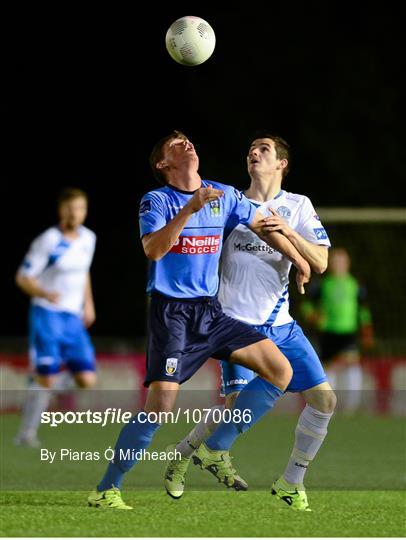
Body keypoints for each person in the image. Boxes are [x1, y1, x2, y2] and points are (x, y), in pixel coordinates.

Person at [87, 130, 311, 510]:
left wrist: (300, 260)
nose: (187, 144)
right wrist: (190, 208)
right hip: (171, 315)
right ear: (163, 163)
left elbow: (262, 226)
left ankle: (214, 448)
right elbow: (154, 249)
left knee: (280, 370)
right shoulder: (155, 200)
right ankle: (108, 488)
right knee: (159, 407)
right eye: (176, 145)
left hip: (211, 312)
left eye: (188, 140)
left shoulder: (221, 193)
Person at [163, 132, 336, 511]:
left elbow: (322, 262)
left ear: (281, 164)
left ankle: (290, 481)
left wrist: (289, 232)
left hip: (281, 323)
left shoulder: (298, 206)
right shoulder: (230, 205)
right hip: (234, 324)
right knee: (238, 403)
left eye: (264, 149)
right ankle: (202, 453)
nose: (254, 153)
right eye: (250, 150)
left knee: (324, 400)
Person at [14, 187, 97, 447]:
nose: (76, 214)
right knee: (48, 376)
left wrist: (89, 304)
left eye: (80, 208)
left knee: (87, 380)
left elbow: (84, 272)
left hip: (73, 318)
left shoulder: (88, 238)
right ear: (62, 210)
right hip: (46, 314)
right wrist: (43, 292)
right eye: (71, 208)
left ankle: (39, 386)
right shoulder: (48, 240)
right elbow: (23, 277)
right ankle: (26, 434)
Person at [301, 247, 374, 413]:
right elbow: (306, 305)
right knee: (328, 368)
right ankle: (328, 406)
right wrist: (312, 316)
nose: (339, 264)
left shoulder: (355, 284)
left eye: (342, 261)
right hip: (327, 331)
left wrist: (367, 329)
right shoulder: (322, 284)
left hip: (348, 331)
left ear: (348, 263)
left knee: (352, 363)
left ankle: (350, 406)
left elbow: (363, 309)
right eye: (335, 261)